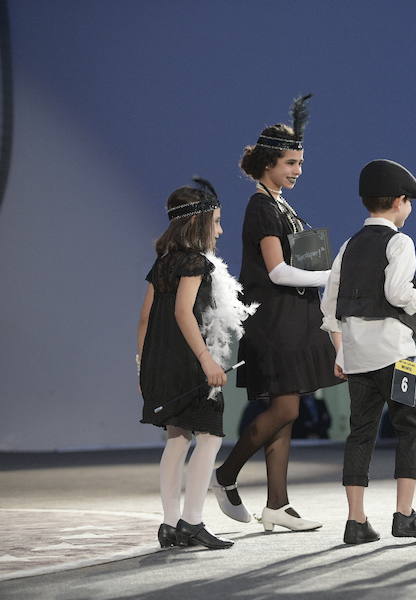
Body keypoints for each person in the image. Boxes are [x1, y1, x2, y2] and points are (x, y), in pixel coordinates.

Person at [210, 95, 343, 532]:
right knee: (285, 411)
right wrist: (330, 274)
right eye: (291, 163)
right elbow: (278, 270)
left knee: (287, 409)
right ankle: (226, 474)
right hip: (275, 321)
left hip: (292, 318)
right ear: (268, 162)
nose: (298, 171)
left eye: (301, 163)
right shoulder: (262, 206)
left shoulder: (281, 204)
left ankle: (277, 505)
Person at [321, 159, 416, 544]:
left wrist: (340, 354)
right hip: (398, 356)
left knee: (360, 433)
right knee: (409, 428)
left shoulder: (349, 246)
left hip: (357, 357)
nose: (411, 208)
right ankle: (404, 516)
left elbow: (330, 307)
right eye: (410, 201)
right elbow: (398, 294)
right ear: (399, 201)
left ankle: (356, 521)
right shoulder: (400, 242)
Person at [138, 178, 255, 549]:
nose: (220, 230)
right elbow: (183, 312)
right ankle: (192, 521)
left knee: (176, 439)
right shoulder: (195, 262)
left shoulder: (163, 263)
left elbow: (144, 319)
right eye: (216, 222)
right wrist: (207, 360)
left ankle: (170, 524)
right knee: (209, 437)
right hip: (190, 362)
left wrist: (143, 364)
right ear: (198, 223)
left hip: (159, 362)